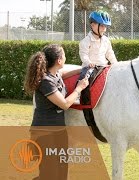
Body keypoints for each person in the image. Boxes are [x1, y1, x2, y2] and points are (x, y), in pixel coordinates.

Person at [24, 44, 89, 180]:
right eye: (64, 55)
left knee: (61, 173)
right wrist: (79, 88)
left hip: (59, 131)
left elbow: (64, 73)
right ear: (59, 60)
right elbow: (64, 104)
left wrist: (85, 69)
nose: (66, 57)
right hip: (44, 134)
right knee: (48, 175)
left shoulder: (55, 74)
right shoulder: (45, 81)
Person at [75, 10, 118, 104]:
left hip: (104, 66)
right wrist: (88, 62)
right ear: (93, 25)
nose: (104, 29)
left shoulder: (106, 40)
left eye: (105, 26)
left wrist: (116, 64)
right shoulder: (85, 41)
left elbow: (110, 54)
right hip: (91, 67)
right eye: (102, 25)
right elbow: (83, 55)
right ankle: (77, 95)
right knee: (84, 75)